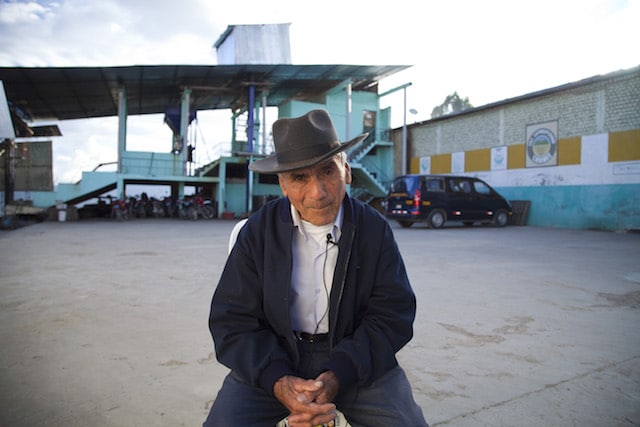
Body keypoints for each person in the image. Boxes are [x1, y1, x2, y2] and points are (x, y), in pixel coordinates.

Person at [204, 109, 428, 427]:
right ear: (282, 184)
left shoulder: (373, 230)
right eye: (299, 178)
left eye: (327, 171)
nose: (318, 192)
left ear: (346, 171)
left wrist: (340, 373)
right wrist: (277, 379)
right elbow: (232, 321)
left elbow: (392, 315)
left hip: (355, 360)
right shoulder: (257, 233)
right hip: (274, 358)